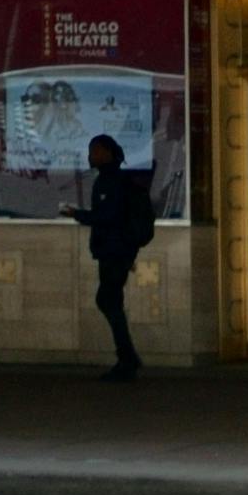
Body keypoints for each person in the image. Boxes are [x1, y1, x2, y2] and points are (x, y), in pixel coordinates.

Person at [78, 128, 157, 381]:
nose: (91, 156)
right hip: (115, 250)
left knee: (108, 299)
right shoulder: (113, 180)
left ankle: (127, 357)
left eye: (95, 151)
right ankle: (127, 356)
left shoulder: (110, 182)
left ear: (108, 153)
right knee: (109, 300)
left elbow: (108, 216)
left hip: (115, 250)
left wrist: (78, 215)